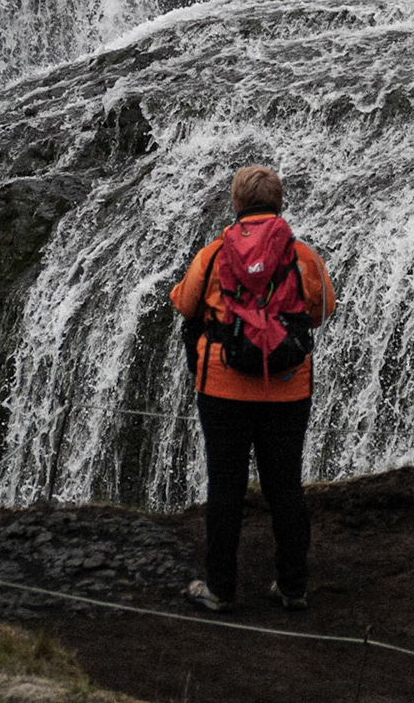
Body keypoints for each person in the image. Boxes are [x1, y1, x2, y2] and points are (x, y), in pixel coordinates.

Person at [171, 164, 336, 613]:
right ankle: (292, 587)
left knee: (225, 487)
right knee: (285, 487)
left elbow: (185, 304)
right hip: (286, 389)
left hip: (222, 386)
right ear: (280, 204)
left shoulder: (214, 253)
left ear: (237, 204)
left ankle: (220, 589)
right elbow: (322, 312)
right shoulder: (303, 257)